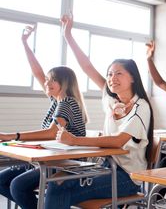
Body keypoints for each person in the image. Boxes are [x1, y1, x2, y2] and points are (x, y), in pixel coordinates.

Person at [43, 14, 154, 208]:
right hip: (106, 167)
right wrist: (68, 36)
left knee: (58, 188)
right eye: (110, 74)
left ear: (133, 78)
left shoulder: (141, 107)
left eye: (119, 73)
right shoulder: (111, 98)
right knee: (55, 182)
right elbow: (86, 66)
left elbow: (118, 140)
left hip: (127, 177)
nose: (112, 78)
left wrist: (75, 140)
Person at [0, 25, 87, 209]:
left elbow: (51, 133)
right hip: (47, 159)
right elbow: (37, 72)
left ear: (64, 83)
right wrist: (25, 43)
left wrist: (12, 136)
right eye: (47, 79)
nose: (46, 82)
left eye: (52, 79)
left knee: (17, 186)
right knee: (2, 180)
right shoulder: (56, 100)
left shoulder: (67, 103)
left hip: (64, 164)